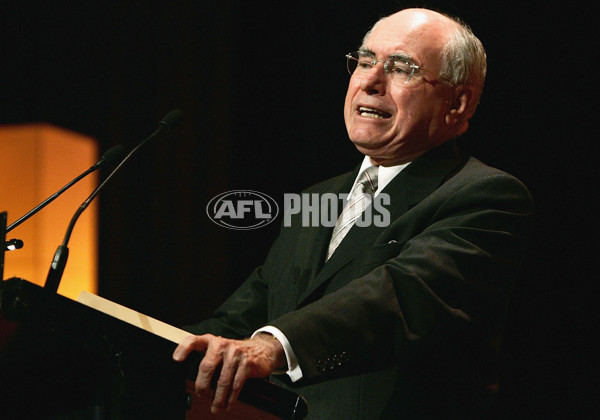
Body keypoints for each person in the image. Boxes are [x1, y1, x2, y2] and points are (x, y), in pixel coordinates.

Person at [173, 8, 534, 419]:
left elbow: (400, 297)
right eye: (364, 62)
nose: (370, 82)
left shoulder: (485, 196)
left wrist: (274, 346)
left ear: (457, 103)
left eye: (402, 69)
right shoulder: (317, 198)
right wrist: (158, 349)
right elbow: (246, 315)